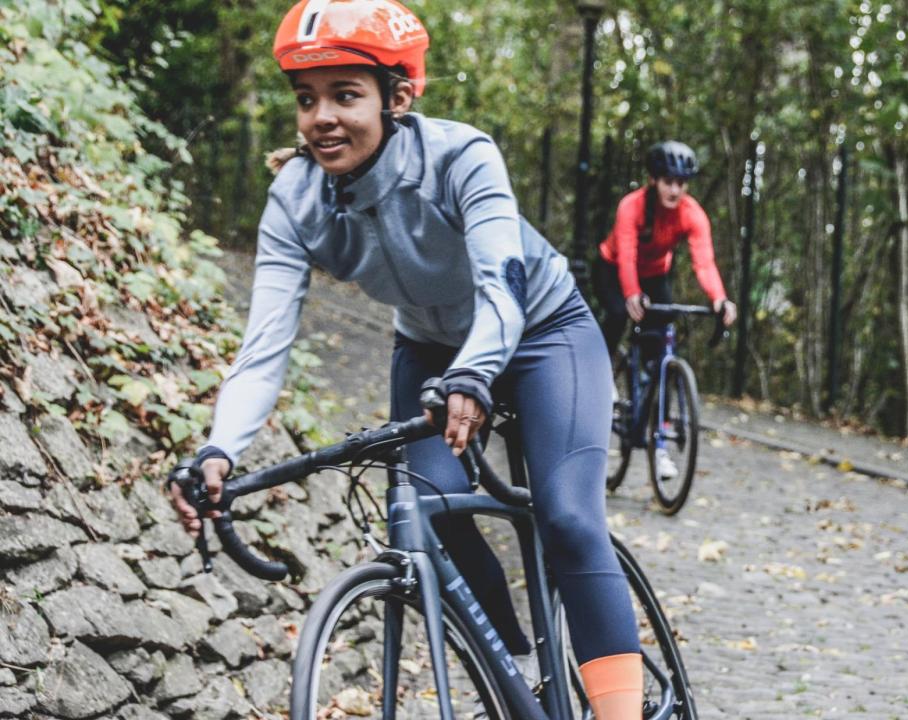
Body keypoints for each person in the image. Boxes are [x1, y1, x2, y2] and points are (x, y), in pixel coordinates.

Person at [167, 2, 642, 717]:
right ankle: (510, 671)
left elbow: (503, 291)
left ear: (398, 99)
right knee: (428, 505)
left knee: (569, 519)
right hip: (427, 344)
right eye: (306, 99)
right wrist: (218, 449)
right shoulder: (295, 200)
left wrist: (476, 373)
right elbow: (263, 350)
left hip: (543, 330)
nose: (321, 116)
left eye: (345, 95)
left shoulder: (460, 156)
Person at [594, 141, 737, 477]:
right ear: (654, 180)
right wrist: (631, 294)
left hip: (656, 273)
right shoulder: (632, 207)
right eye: (668, 181)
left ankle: (658, 445)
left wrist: (719, 297)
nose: (675, 189)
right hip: (614, 268)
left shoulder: (692, 214)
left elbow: (704, 262)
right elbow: (626, 254)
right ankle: (602, 375)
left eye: (681, 183)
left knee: (661, 356)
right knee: (617, 314)